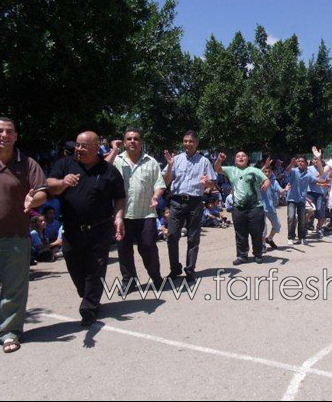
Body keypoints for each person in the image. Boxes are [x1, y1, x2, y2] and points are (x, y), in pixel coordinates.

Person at [48, 131, 126, 327]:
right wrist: (62, 182)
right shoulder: (65, 164)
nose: (79, 149)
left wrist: (118, 218)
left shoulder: (109, 171)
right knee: (73, 263)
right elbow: (49, 184)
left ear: (96, 148)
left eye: (84, 146)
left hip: (100, 229)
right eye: (77, 145)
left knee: (95, 268)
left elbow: (119, 197)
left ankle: (89, 308)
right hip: (71, 228)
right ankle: (88, 294)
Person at [0, 117, 48, 353]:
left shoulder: (28, 164)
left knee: (13, 288)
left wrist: (33, 200)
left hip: (14, 236)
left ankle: (9, 332)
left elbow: (42, 191)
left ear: (15, 136)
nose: (4, 135)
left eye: (9, 131)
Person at [106, 128, 166, 293]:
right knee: (124, 251)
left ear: (141, 142)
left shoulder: (151, 162)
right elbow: (102, 168)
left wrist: (156, 196)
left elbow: (159, 184)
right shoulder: (117, 160)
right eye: (129, 139)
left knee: (148, 247)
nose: (132, 141)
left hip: (146, 213)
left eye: (136, 138)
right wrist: (114, 150)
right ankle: (129, 281)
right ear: (124, 142)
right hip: (122, 215)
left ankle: (156, 277)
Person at [162, 131, 217, 281]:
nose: (187, 144)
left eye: (191, 141)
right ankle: (175, 269)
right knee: (172, 236)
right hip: (177, 201)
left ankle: (190, 269)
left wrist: (207, 183)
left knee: (193, 237)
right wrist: (169, 166)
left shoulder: (204, 161)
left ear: (197, 143)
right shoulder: (176, 159)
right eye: (185, 141)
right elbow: (166, 181)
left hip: (195, 202)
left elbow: (212, 185)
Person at [215, 151, 270, 265]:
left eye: (243, 156)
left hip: (255, 206)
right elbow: (217, 168)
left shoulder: (254, 170)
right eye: (238, 156)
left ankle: (258, 254)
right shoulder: (231, 170)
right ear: (235, 160)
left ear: (247, 159)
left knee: (257, 232)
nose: (241, 158)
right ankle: (242, 256)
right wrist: (220, 159)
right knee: (240, 233)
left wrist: (266, 184)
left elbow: (266, 179)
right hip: (238, 207)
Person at [285, 153, 323, 245]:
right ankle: (290, 237)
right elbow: (287, 170)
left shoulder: (308, 174)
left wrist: (325, 181)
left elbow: (316, 180)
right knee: (291, 217)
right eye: (299, 161)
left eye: (302, 161)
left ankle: (302, 237)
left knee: (302, 219)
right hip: (291, 199)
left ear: (306, 163)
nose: (300, 163)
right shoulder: (294, 171)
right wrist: (291, 163)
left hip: (301, 200)